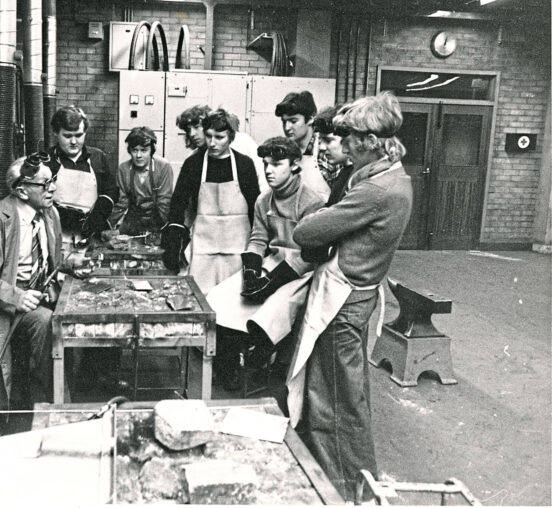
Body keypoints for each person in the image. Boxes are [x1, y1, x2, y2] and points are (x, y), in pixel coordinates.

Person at [288, 91, 413, 500]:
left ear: (370, 141)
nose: (343, 144)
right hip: (359, 296)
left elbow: (305, 233)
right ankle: (350, 483)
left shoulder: (376, 190)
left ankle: (348, 492)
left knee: (336, 404)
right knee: (346, 396)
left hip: (344, 303)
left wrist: (317, 215)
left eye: (350, 136)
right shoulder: (391, 176)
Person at [206, 136, 327, 389]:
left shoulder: (312, 202)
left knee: (272, 310)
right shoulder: (264, 200)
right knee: (219, 298)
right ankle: (228, 368)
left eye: (276, 164)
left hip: (300, 273)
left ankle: (259, 360)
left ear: (295, 165)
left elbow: (308, 254)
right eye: (266, 165)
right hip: (272, 263)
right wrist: (251, 272)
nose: (269, 171)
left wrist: (271, 283)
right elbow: (258, 239)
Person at [0, 153, 63, 426]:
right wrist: (17, 296)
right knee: (44, 322)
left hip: (39, 293)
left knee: (66, 319)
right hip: (4, 303)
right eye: (44, 184)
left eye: (52, 180)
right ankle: (40, 405)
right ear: (21, 190)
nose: (52, 188)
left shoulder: (49, 213)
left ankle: (51, 398)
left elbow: (53, 258)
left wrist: (69, 265)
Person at [164, 107, 260, 293]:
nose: (212, 143)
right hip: (203, 251)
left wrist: (255, 251)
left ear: (231, 137)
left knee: (234, 301)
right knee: (201, 299)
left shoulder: (244, 164)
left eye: (219, 137)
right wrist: (175, 242)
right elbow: (177, 205)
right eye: (209, 136)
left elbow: (255, 209)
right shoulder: (194, 164)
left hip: (237, 250)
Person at [47, 105, 119, 247]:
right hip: (56, 235)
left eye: (79, 135)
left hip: (91, 236)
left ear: (85, 132)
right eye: (67, 136)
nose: (73, 142)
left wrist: (98, 214)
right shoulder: (48, 160)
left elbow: (111, 191)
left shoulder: (98, 157)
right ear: (56, 133)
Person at [109, 127, 174, 235]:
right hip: (132, 222)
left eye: (144, 150)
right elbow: (121, 203)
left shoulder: (163, 167)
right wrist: (108, 225)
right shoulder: (123, 169)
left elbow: (164, 203)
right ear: (130, 150)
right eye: (135, 150)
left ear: (151, 150)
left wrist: (166, 231)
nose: (138, 155)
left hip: (157, 222)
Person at [275, 91, 334, 199]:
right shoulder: (285, 152)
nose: (287, 128)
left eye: (293, 121)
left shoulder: (326, 151)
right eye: (284, 122)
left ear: (311, 118)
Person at [314, 104, 353, 205]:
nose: (322, 147)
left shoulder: (356, 177)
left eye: (328, 140)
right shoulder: (344, 173)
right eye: (320, 140)